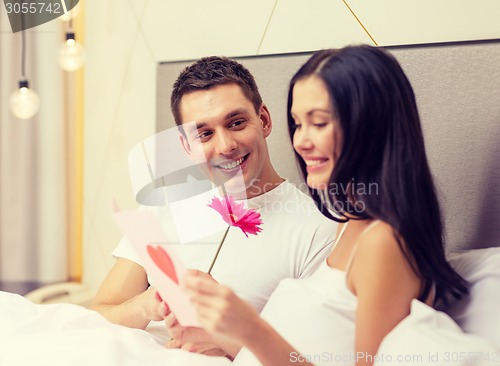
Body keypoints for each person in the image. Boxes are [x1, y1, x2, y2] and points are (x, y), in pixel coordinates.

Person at [182, 45, 469, 365]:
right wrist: (232, 339)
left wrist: (251, 329)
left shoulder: (383, 243)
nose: (300, 141)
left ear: (369, 127)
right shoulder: (349, 225)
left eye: (318, 123)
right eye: (298, 123)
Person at [89, 56, 338, 356]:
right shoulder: (162, 206)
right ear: (186, 147)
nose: (225, 146)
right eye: (204, 134)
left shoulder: (317, 230)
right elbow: (98, 315)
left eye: (236, 123)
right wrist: (148, 303)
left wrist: (229, 342)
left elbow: (313, 358)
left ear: (265, 120)